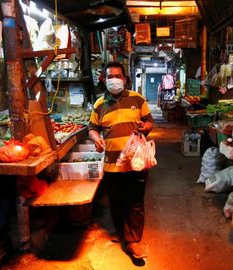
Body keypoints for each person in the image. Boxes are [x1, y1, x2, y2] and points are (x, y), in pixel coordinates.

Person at [88, 62, 154, 259]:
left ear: (124, 79)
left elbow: (150, 121)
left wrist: (145, 127)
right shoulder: (99, 104)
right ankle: (120, 231)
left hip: (136, 162)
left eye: (118, 76)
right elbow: (92, 127)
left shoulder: (137, 98)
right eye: (110, 76)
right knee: (116, 202)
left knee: (134, 201)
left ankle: (132, 241)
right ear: (104, 79)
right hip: (111, 164)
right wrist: (96, 138)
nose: (114, 79)